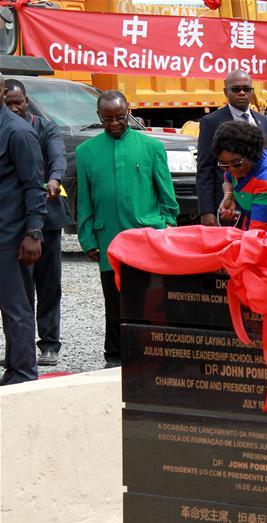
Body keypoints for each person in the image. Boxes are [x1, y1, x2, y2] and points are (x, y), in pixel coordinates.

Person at [77, 90, 179, 367]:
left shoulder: (152, 148)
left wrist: (167, 225)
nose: (113, 123)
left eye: (119, 117)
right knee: (114, 300)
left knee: (149, 297)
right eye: (107, 118)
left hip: (146, 235)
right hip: (108, 237)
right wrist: (87, 238)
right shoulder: (85, 152)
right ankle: (115, 355)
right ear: (99, 116)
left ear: (129, 112)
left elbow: (167, 196)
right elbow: (84, 201)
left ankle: (151, 352)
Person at [4, 78, 71, 367]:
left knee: (47, 285)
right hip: (17, 222)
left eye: (18, 103)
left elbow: (57, 159)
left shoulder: (43, 128)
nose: (14, 108)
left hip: (46, 219)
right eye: (9, 104)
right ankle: (19, 351)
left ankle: (49, 344)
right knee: (19, 292)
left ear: (26, 101)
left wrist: (54, 179)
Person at [0, 71, 46, 385]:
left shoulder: (17, 132)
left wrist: (33, 233)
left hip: (10, 236)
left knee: (15, 307)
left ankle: (23, 373)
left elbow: (34, 186)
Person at [197, 70, 267, 226]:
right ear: (226, 92)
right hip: (227, 208)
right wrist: (206, 211)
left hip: (261, 203)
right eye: (236, 89)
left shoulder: (263, 121)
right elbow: (205, 169)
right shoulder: (211, 122)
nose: (242, 93)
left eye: (247, 89)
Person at [213, 120, 267, 233]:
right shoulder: (232, 164)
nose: (232, 170)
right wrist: (229, 196)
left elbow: (257, 232)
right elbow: (228, 180)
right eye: (224, 164)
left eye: (236, 163)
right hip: (254, 222)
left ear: (250, 154)